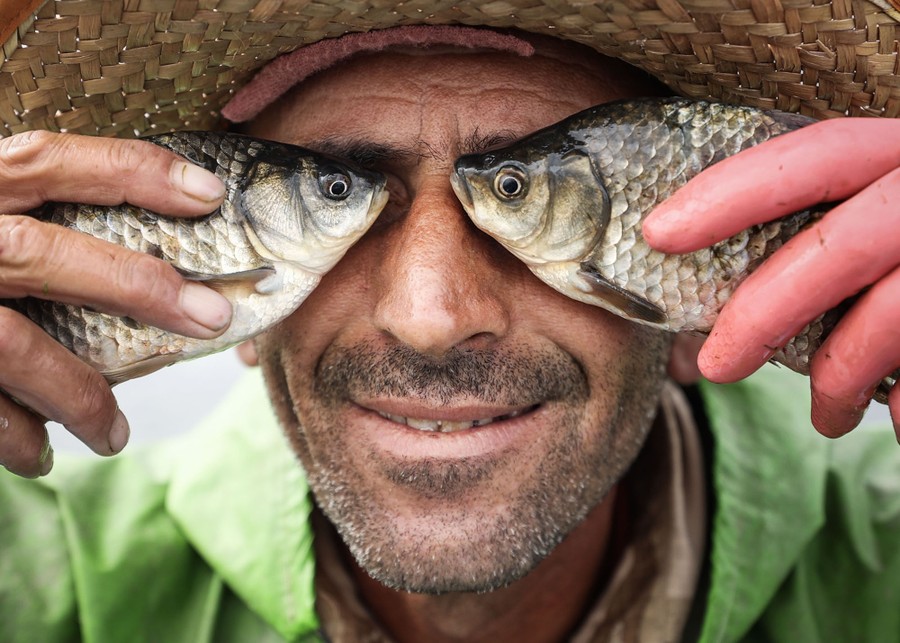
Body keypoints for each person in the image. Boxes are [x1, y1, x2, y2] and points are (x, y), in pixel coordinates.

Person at [0, 2, 899, 642]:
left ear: (700, 282)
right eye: (348, 194)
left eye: (511, 192)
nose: (430, 319)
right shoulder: (37, 581)